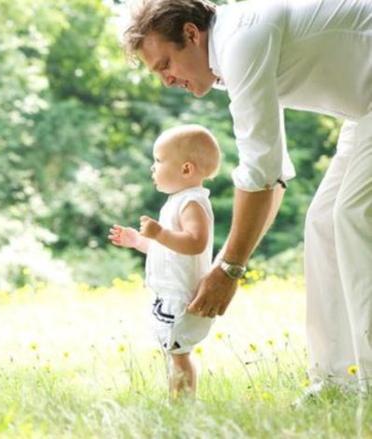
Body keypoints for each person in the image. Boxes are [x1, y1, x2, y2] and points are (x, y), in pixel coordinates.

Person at [122, 0, 372, 395]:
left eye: (166, 64)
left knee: (353, 215)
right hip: (364, 111)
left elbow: (260, 171)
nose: (167, 80)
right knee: (323, 223)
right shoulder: (229, 58)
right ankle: (338, 381)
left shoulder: (242, 41)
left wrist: (229, 271)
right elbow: (273, 177)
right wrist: (226, 266)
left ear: (191, 34)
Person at [109, 124, 220, 397]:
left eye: (158, 161)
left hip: (183, 298)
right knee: (174, 353)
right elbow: (168, 250)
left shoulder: (192, 203)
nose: (153, 168)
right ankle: (178, 400)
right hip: (168, 296)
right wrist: (139, 241)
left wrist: (159, 232)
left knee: (179, 355)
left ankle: (182, 406)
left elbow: (196, 242)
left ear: (186, 169)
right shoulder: (177, 201)